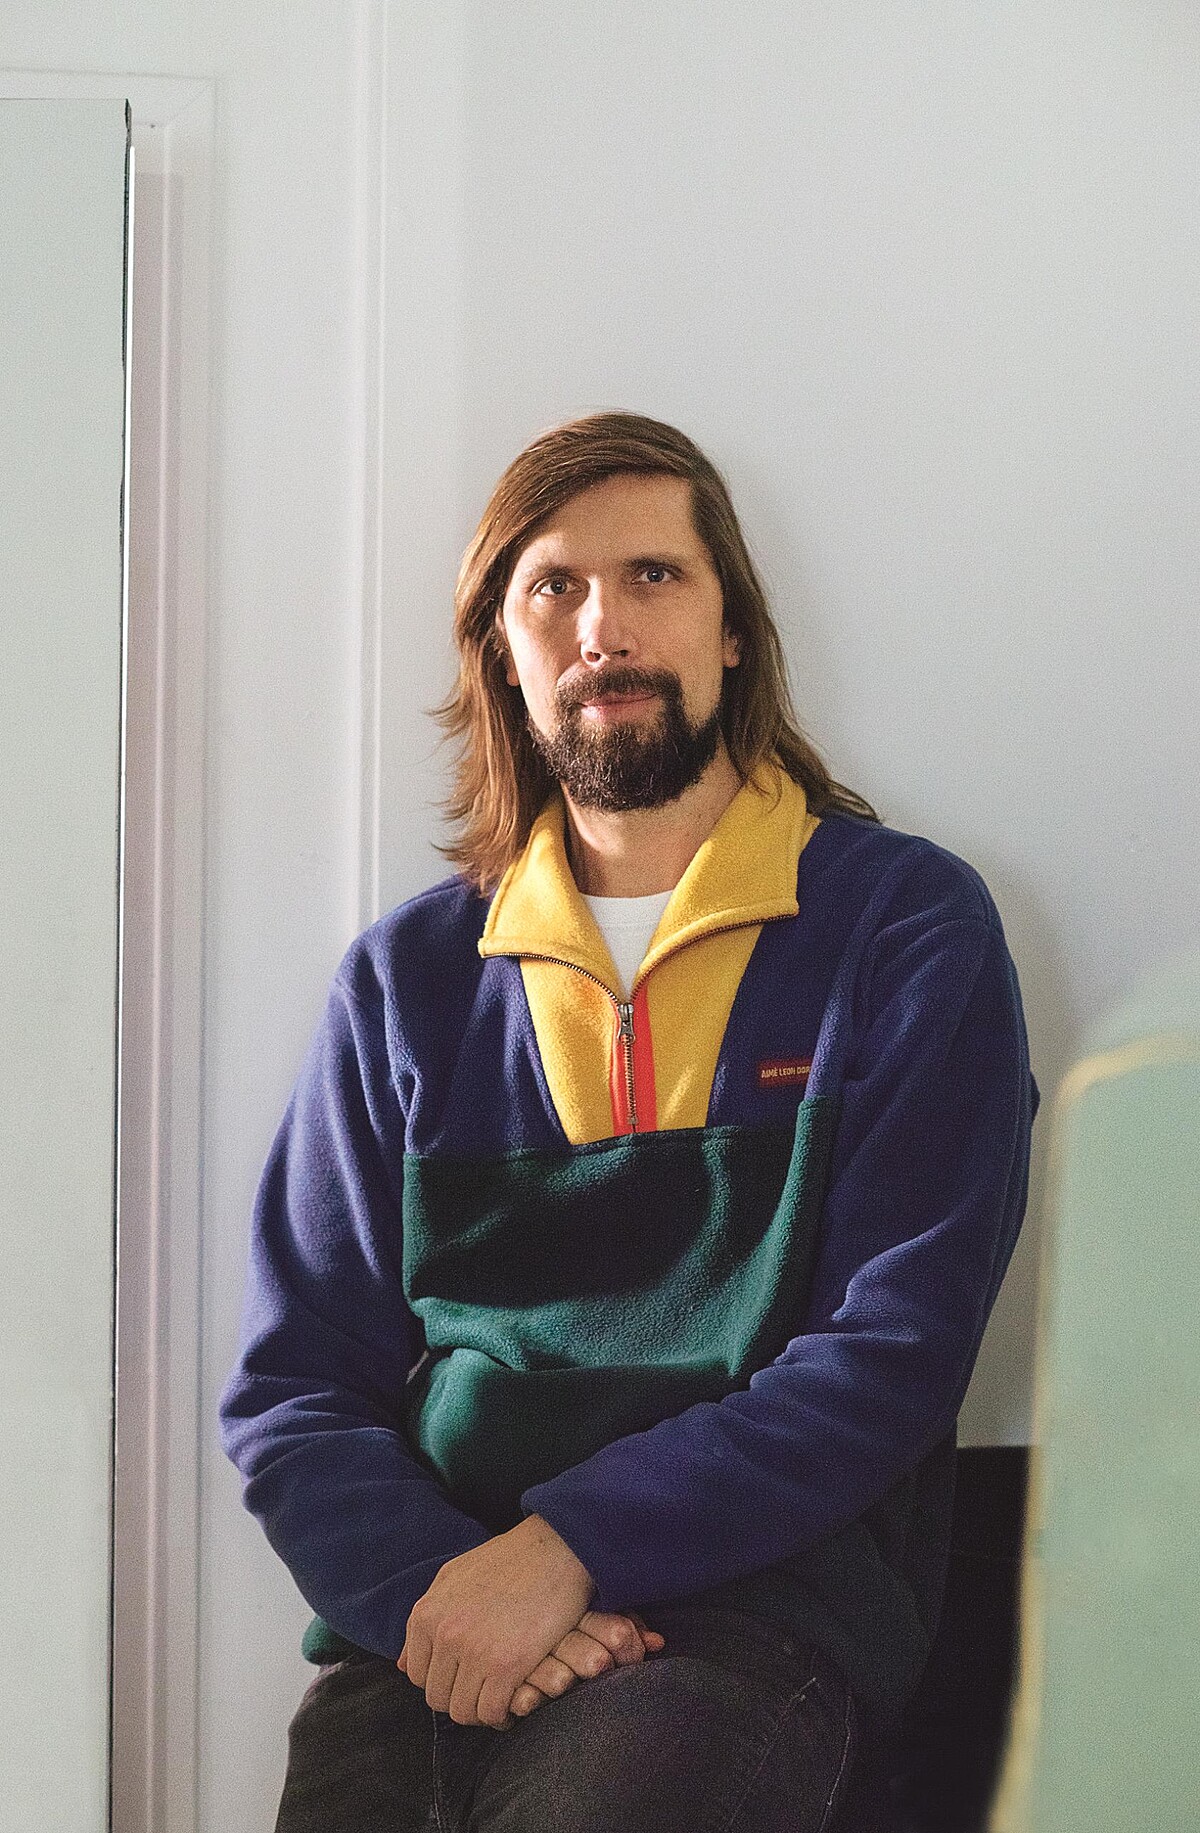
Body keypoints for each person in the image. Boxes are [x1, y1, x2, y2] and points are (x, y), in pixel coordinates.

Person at [220, 410, 1040, 1832]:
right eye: (556, 588)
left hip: (751, 1624)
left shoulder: (906, 928)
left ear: (736, 635)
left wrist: (571, 1549)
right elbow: (293, 1388)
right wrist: (438, 1588)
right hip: (438, 1629)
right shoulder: (406, 982)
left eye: (654, 575)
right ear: (504, 651)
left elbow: (894, 1349)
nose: (604, 626)